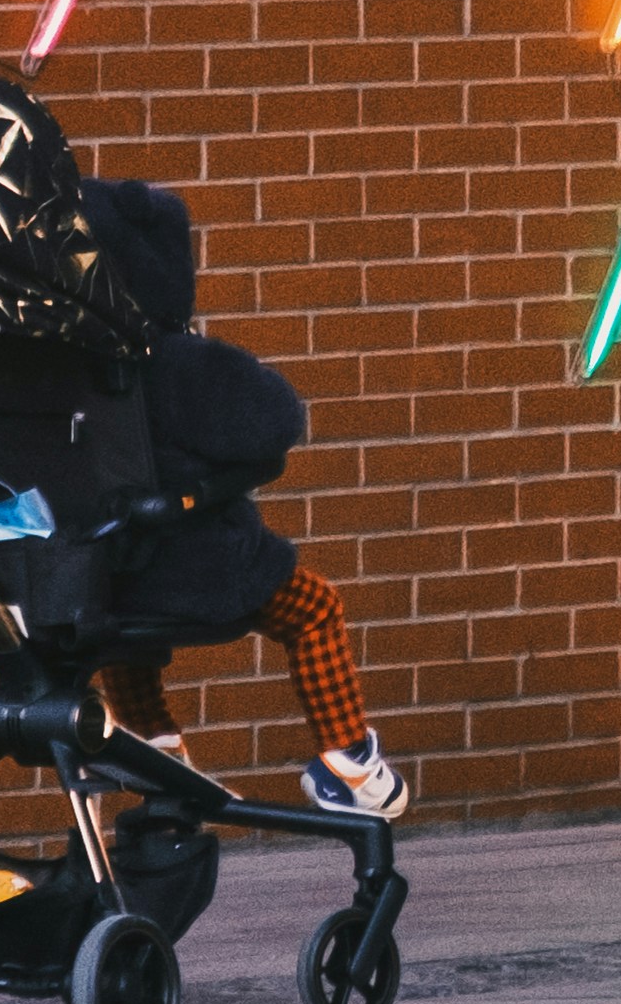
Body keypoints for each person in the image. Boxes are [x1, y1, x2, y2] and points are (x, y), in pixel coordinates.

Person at [80, 174, 411, 822]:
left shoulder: (59, 367)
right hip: (202, 565)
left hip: (92, 575)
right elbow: (276, 418)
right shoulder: (179, 361)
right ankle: (349, 761)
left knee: (124, 637)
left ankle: (151, 740)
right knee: (313, 609)